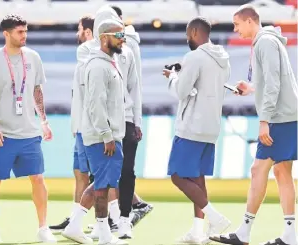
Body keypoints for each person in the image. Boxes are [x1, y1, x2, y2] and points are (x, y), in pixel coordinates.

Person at [210, 5, 298, 245]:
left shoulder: (265, 43)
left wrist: (264, 121)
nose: (235, 29)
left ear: (250, 21)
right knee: (282, 173)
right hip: (287, 115)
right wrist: (251, 89)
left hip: (279, 118)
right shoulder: (269, 42)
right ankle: (289, 235)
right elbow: (272, 81)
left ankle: (244, 232)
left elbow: (273, 84)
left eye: (237, 24)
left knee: (259, 170)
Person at [0, 14, 56, 243]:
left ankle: (43, 228)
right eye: (20, 32)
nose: (24, 36)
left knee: (38, 179)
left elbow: (37, 91)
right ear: (7, 34)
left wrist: (44, 120)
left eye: (26, 31)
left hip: (30, 132)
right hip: (3, 134)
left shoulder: (33, 57)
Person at [162, 17, 231, 244]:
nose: (186, 38)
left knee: (177, 176)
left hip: (191, 126)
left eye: (186, 34)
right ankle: (198, 232)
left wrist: (173, 77)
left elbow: (182, 91)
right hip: (211, 126)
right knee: (198, 178)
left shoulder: (193, 57)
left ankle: (214, 216)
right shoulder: (223, 59)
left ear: (193, 32)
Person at [81, 19, 128, 245]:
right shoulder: (98, 66)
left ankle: (81, 226)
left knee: (104, 183)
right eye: (118, 35)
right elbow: (95, 104)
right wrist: (107, 135)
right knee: (102, 187)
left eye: (124, 35)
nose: (123, 39)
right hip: (103, 137)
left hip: (110, 135)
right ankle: (105, 237)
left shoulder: (110, 62)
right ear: (103, 38)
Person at [49, 15, 94, 233]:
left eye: (79, 29)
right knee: (80, 173)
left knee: (97, 175)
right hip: (80, 127)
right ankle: (74, 217)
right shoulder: (86, 58)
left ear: (87, 32)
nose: (77, 33)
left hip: (89, 128)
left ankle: (114, 217)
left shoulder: (89, 54)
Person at [111, 5, 154, 232]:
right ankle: (109, 218)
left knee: (125, 170)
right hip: (105, 120)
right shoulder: (94, 51)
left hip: (125, 118)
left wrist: (137, 121)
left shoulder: (128, 48)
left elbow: (135, 86)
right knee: (104, 172)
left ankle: (124, 219)